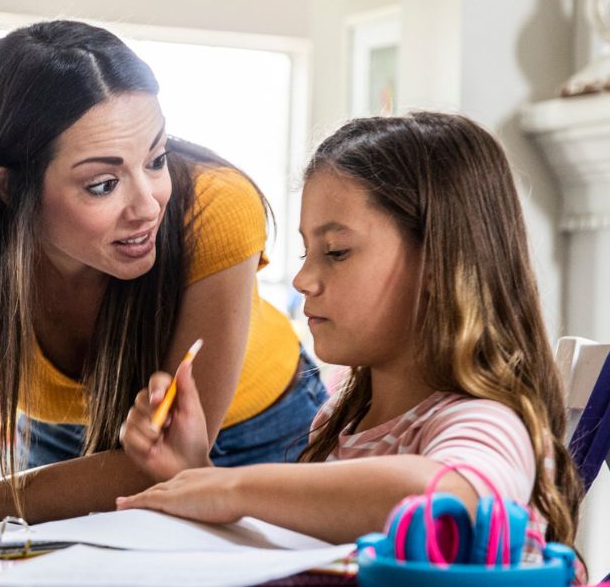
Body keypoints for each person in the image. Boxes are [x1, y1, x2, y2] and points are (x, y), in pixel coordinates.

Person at [0, 19, 325, 541]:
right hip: (56, 452)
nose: (148, 206)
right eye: (102, 184)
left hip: (255, 440)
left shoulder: (217, 205)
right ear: (8, 190)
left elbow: (162, 458)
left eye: (157, 159)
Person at [117, 112, 583, 550]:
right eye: (306, 253)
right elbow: (304, 552)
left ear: (441, 263)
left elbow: (448, 499)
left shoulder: (485, 421)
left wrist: (234, 486)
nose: (303, 281)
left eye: (336, 251)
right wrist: (195, 469)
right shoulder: (343, 421)